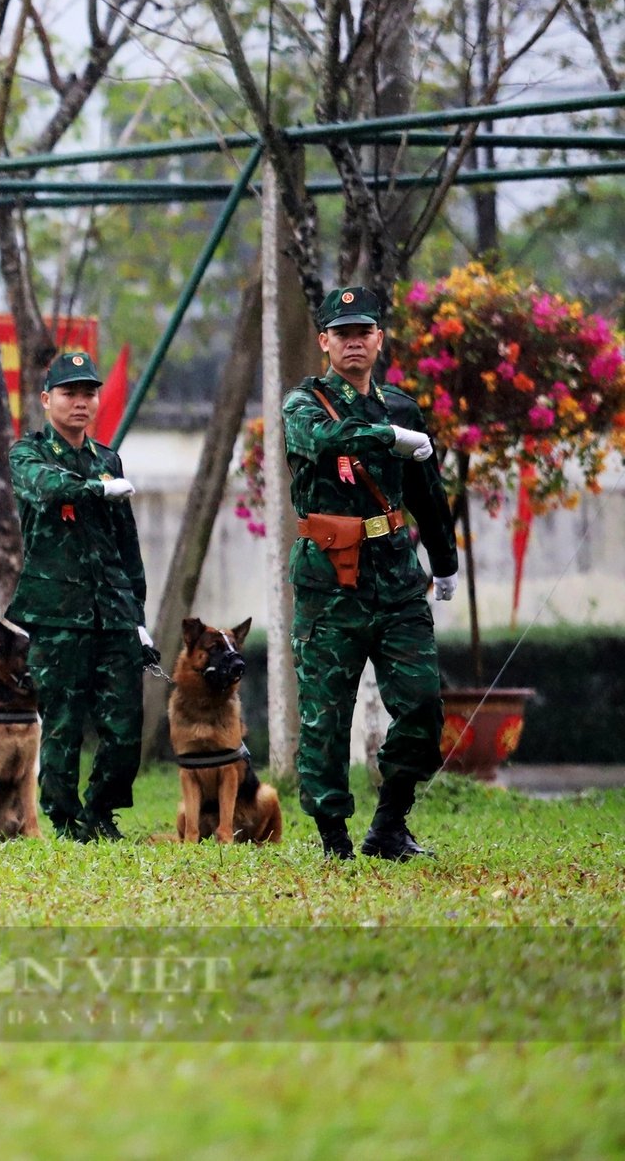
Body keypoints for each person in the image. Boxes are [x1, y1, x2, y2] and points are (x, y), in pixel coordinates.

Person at [284, 286, 459, 861]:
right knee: (325, 714)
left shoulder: (402, 407)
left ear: (379, 339)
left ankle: (390, 825)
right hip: (330, 581)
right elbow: (321, 440)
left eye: (364, 332)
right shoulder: (304, 405)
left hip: (398, 579)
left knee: (422, 704)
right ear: (325, 343)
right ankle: (334, 837)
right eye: (343, 333)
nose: (354, 342)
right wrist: (387, 438)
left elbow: (427, 494)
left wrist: (446, 560)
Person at [7, 352, 154, 842]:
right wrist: (95, 488)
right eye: (69, 393)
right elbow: (47, 490)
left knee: (125, 724)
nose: (81, 402)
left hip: (112, 611)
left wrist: (138, 614)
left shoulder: (109, 460)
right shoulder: (28, 454)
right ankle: (67, 819)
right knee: (64, 723)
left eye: (89, 392)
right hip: (56, 613)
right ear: (47, 399)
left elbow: (125, 545)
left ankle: (101, 811)